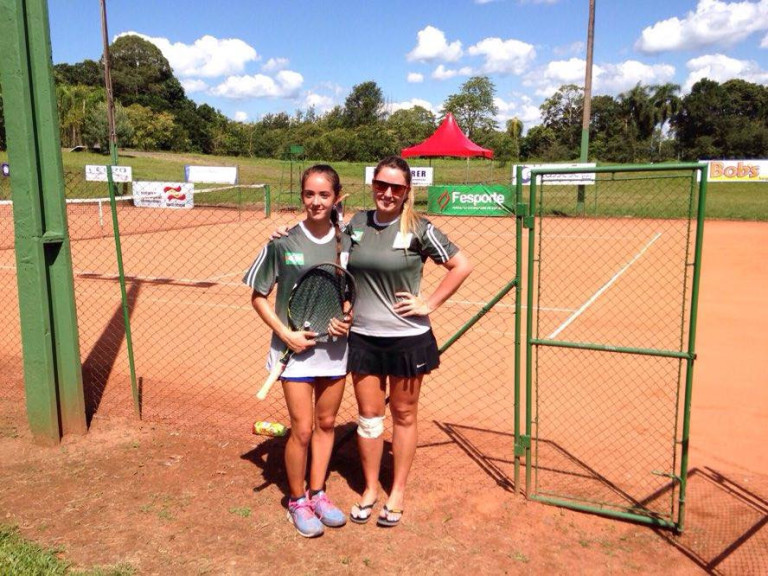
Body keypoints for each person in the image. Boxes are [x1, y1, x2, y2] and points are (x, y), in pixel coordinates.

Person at [345, 156, 472, 527]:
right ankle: (370, 488)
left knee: (403, 415)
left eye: (396, 188)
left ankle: (397, 490)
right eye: (381, 185)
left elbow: (461, 265)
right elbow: (323, 237)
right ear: (373, 185)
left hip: (407, 339)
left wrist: (429, 302)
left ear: (406, 192)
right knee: (369, 418)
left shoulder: (419, 227)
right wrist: (281, 235)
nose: (387, 193)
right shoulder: (355, 223)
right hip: (363, 338)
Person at [243, 164, 352, 538]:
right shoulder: (282, 242)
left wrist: (346, 319)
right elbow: (258, 297)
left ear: (336, 198)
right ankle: (296, 500)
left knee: (326, 425)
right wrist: (285, 334)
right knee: (302, 429)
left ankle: (318, 493)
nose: (316, 201)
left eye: (324, 195)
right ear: (302, 196)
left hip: (335, 350)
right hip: (293, 350)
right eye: (309, 194)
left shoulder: (348, 241)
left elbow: (351, 294)